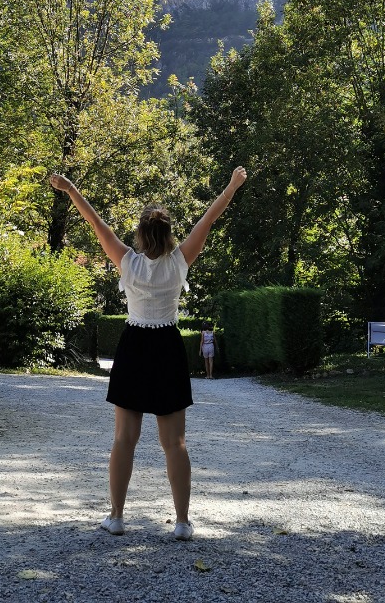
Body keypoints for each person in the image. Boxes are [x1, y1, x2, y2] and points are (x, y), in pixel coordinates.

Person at [49, 166, 247, 542]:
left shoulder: (127, 261)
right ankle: (183, 522)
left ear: (140, 236)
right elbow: (211, 216)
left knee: (124, 439)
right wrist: (232, 185)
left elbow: (94, 221)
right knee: (175, 443)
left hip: (135, 346)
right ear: (170, 236)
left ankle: (117, 517)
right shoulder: (180, 260)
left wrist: (70, 187)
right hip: (168, 347)